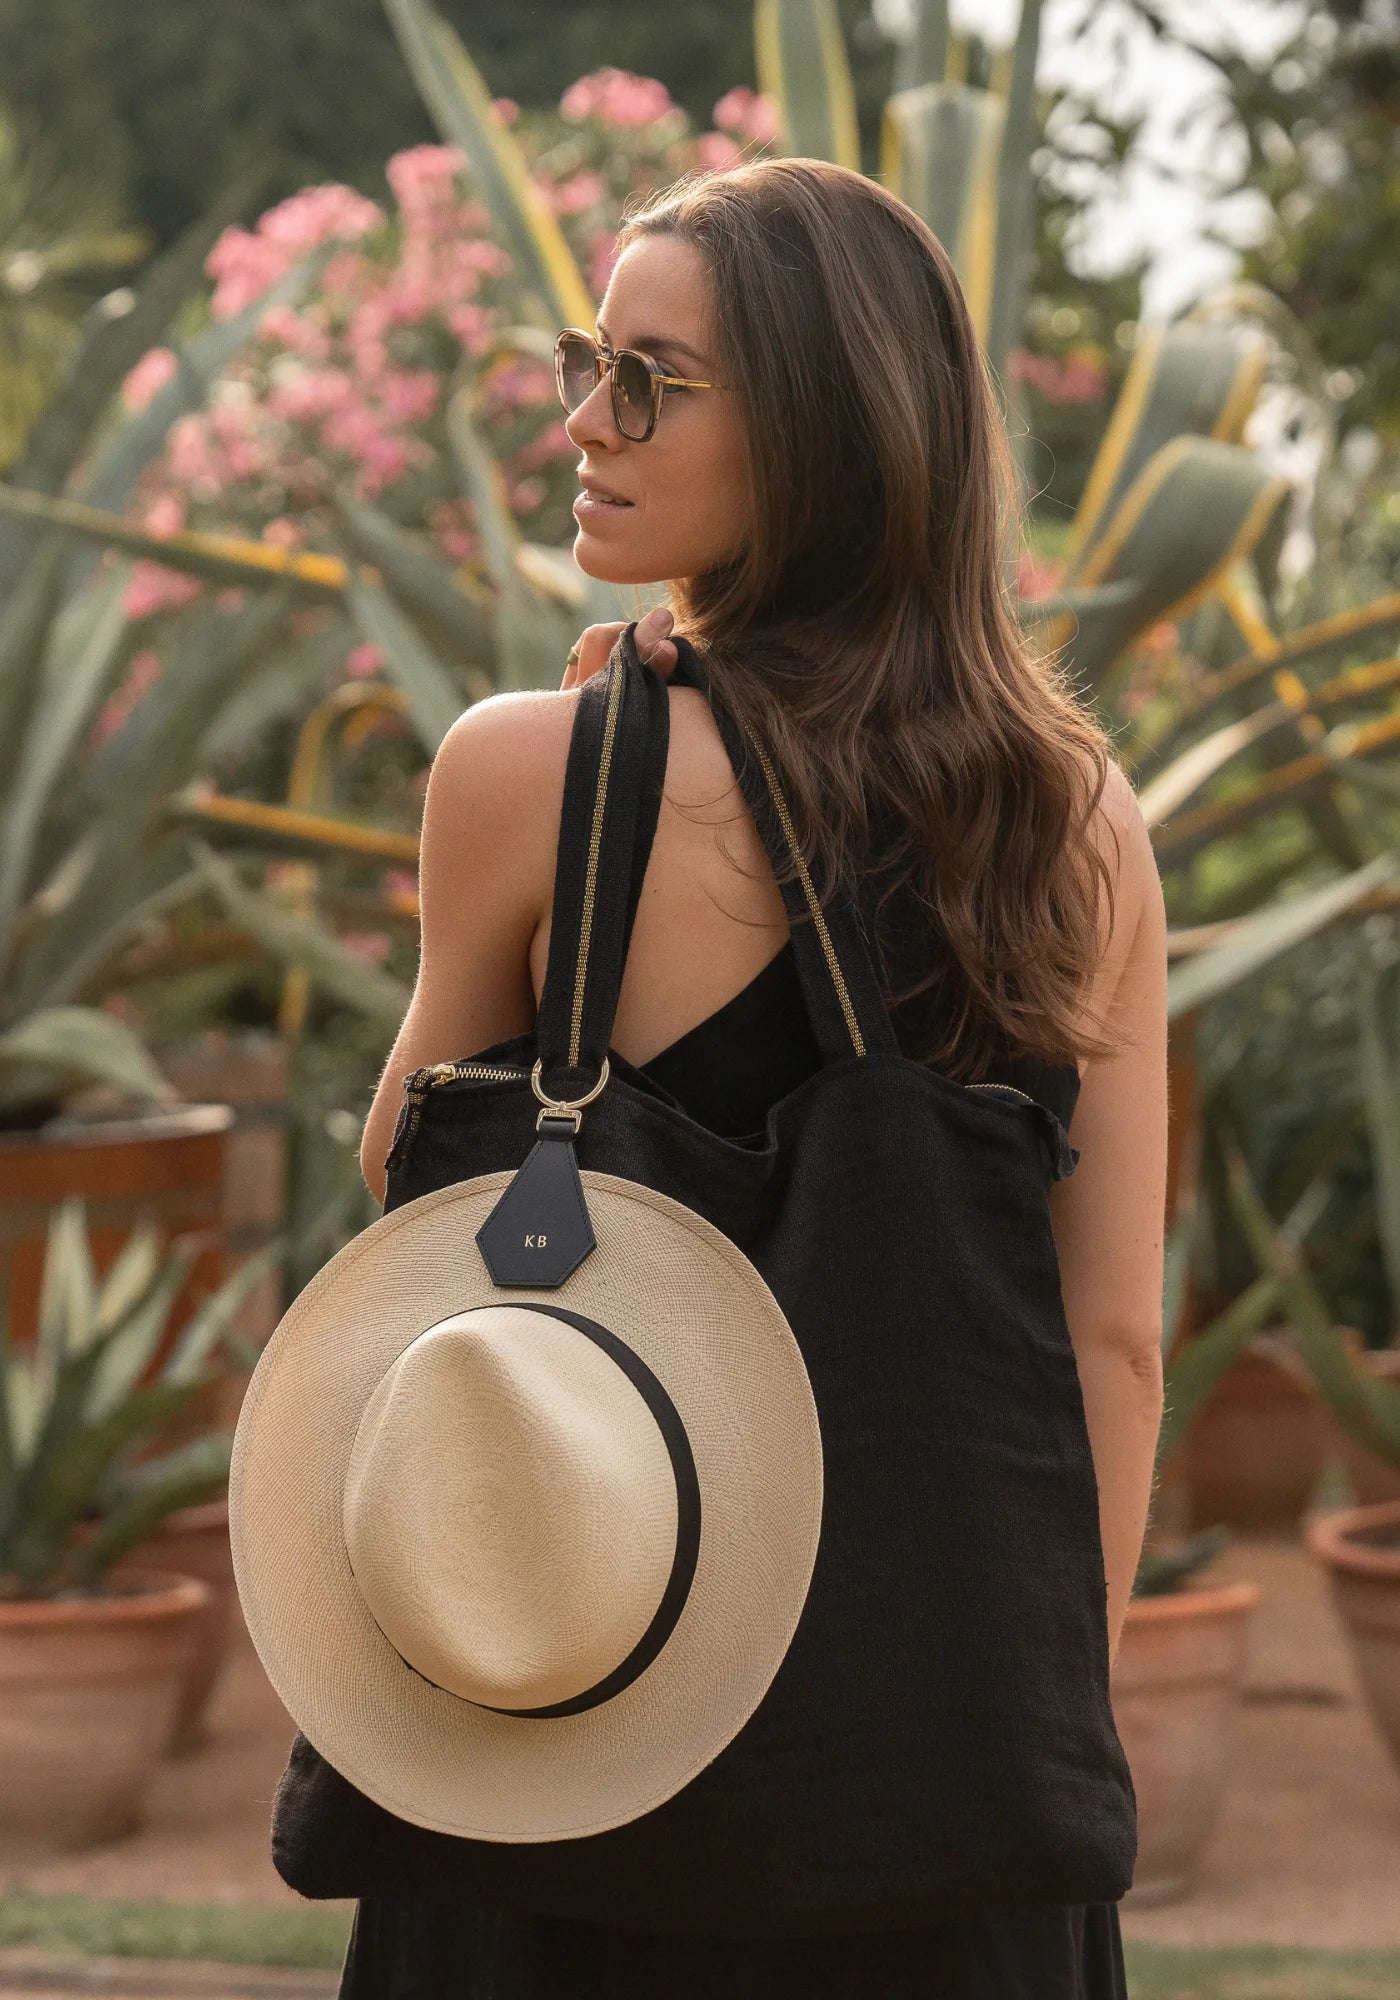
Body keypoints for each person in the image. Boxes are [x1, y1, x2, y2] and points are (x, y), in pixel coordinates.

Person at [348, 156, 1167, 1999]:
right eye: (588, 360)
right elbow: (1111, 1337)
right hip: (939, 1792)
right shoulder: (1072, 820)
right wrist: (1022, 1715)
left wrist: (608, 758)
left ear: (821, 428)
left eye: (651, 378)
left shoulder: (527, 776)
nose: (585, 420)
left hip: (560, 1725)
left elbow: (413, 1189)